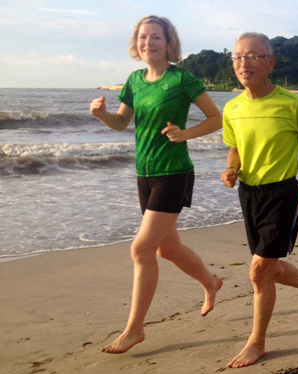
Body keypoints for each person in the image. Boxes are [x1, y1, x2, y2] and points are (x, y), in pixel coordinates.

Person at [89, 15, 224, 354]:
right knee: (167, 248)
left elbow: (216, 118)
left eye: (155, 38)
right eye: (142, 37)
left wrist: (185, 134)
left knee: (141, 249)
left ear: (169, 43)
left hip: (174, 172)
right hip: (144, 174)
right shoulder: (135, 80)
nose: (148, 42)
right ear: (136, 43)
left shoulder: (182, 78)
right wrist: (102, 116)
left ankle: (134, 330)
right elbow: (121, 122)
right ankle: (211, 283)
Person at [221, 32, 298, 368]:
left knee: (258, 271)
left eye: (253, 55)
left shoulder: (291, 103)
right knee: (267, 268)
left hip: (284, 193)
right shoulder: (232, 107)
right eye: (238, 56)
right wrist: (231, 170)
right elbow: (236, 148)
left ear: (270, 62)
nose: (244, 62)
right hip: (249, 194)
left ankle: (257, 342)